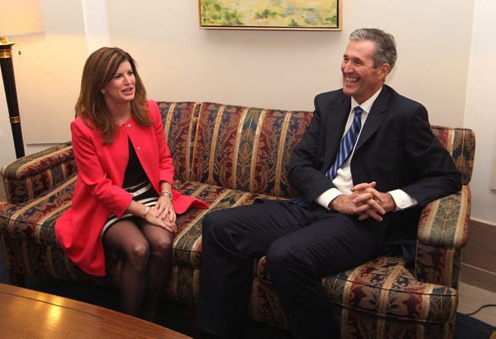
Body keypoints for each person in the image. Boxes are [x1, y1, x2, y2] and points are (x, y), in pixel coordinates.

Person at [195, 28, 462, 338]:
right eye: (345, 58)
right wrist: (334, 198)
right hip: (317, 203)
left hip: (362, 222)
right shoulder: (329, 104)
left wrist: (391, 199)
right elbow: (299, 164)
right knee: (218, 225)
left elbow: (447, 176)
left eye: (358, 62)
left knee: (286, 254)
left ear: (382, 70)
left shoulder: (405, 114)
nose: (346, 69)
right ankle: (216, 331)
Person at [55, 47, 207, 321]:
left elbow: (164, 159)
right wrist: (145, 212)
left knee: (162, 243)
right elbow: (98, 187)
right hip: (107, 205)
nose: (128, 81)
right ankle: (128, 324)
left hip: (149, 196)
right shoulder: (83, 127)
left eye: (130, 73)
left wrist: (165, 196)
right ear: (100, 85)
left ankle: (148, 317)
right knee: (138, 249)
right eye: (118, 76)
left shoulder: (147, 110)